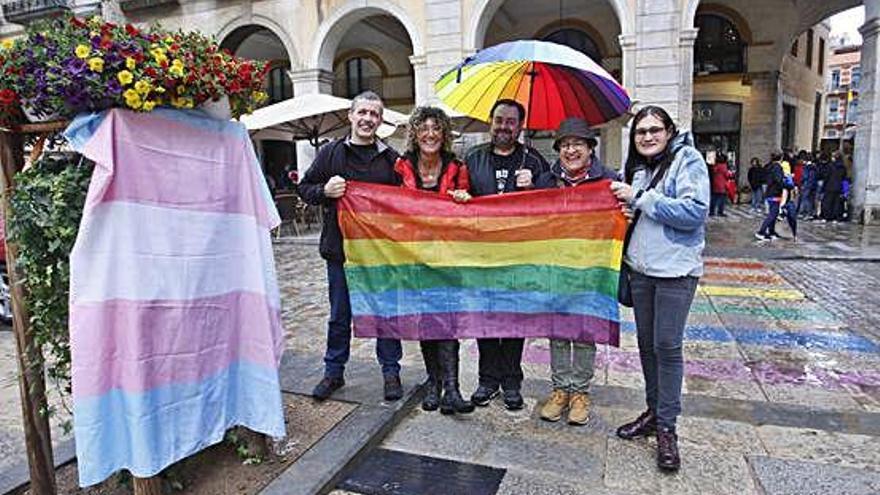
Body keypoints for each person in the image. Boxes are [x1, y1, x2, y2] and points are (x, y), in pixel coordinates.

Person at [609, 105, 709, 472]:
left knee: (667, 346)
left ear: (669, 131)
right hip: (641, 270)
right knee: (648, 347)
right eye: (641, 132)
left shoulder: (688, 160)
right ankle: (653, 411)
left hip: (676, 271)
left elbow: (694, 212)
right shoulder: (635, 168)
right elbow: (638, 213)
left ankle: (668, 428)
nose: (647, 137)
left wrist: (640, 200)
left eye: (654, 130)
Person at [298, 91, 405, 402]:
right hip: (340, 251)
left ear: (380, 120)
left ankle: (390, 371)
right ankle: (334, 372)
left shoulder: (391, 160)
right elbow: (304, 188)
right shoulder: (331, 154)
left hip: (380, 254)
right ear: (351, 116)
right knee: (339, 314)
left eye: (374, 114)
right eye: (363, 113)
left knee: (385, 314)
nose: (368, 119)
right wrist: (324, 190)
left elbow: (404, 201)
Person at [464, 98, 550, 410]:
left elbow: (550, 204)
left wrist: (536, 185)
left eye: (511, 121)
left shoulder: (534, 159)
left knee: (515, 322)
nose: (503, 126)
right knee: (485, 320)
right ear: (491, 122)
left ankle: (512, 382)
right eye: (498, 120)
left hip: (519, 257)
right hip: (482, 257)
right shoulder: (472, 159)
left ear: (520, 126)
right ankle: (487, 380)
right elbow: (458, 198)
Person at [533, 117, 617, 426]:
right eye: (565, 145)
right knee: (557, 331)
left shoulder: (608, 180)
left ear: (590, 148)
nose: (571, 151)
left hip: (590, 270)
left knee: (583, 332)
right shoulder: (546, 181)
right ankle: (559, 390)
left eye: (577, 144)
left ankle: (580, 392)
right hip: (554, 268)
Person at [393, 106, 475, 415]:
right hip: (414, 256)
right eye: (423, 128)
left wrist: (464, 200)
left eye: (436, 128)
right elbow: (388, 205)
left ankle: (452, 388)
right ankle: (433, 383)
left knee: (448, 320)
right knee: (426, 321)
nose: (430, 134)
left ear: (444, 134)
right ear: (414, 133)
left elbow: (466, 211)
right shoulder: (401, 166)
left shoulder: (457, 167)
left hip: (448, 256)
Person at [756, 152, 785, 241]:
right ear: (781, 158)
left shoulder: (769, 166)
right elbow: (778, 180)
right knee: (773, 214)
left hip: (770, 192)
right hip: (775, 192)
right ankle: (761, 232)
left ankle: (771, 232)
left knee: (774, 213)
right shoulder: (777, 167)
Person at [822, 151, 847, 222]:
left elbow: (826, 176)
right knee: (837, 203)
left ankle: (827, 217)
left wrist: (824, 186)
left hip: (830, 186)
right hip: (839, 187)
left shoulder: (830, 166)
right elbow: (844, 177)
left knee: (828, 202)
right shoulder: (843, 167)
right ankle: (835, 217)